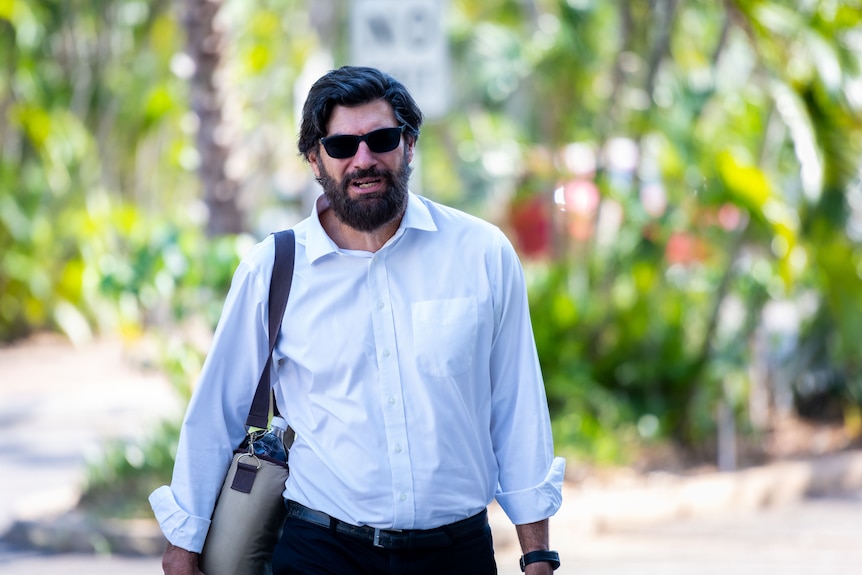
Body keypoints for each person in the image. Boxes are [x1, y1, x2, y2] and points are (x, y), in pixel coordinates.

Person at [150, 65, 565, 575]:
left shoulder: (481, 254)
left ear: (409, 145)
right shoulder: (274, 269)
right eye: (342, 146)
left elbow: (517, 408)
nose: (363, 159)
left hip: (456, 555)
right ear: (315, 159)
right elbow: (216, 413)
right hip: (321, 552)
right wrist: (182, 546)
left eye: (382, 139)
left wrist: (537, 553)